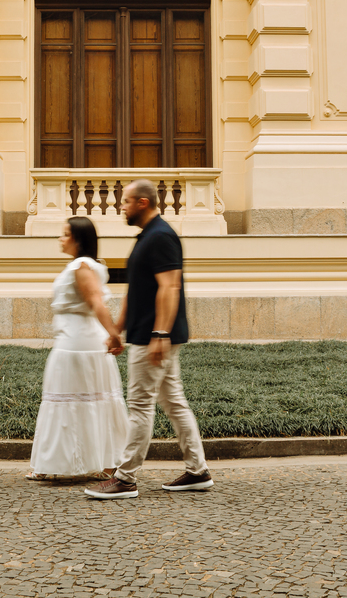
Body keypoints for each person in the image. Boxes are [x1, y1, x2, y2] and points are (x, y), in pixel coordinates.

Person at [85, 179, 212, 499]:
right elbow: (136, 290)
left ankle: (125, 478)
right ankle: (198, 471)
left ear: (142, 202)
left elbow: (170, 287)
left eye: (125, 202)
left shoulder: (161, 236)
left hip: (154, 337)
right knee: (174, 403)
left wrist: (160, 333)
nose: (121, 207)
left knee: (140, 406)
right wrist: (116, 329)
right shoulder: (147, 237)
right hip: (146, 334)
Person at [27, 216, 128, 481]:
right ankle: (62, 464)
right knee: (77, 400)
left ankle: (94, 464)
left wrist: (114, 334)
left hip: (79, 344)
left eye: (64, 234)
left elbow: (96, 302)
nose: (60, 239)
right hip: (73, 340)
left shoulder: (82, 266)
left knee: (74, 400)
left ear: (78, 239)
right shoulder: (79, 266)